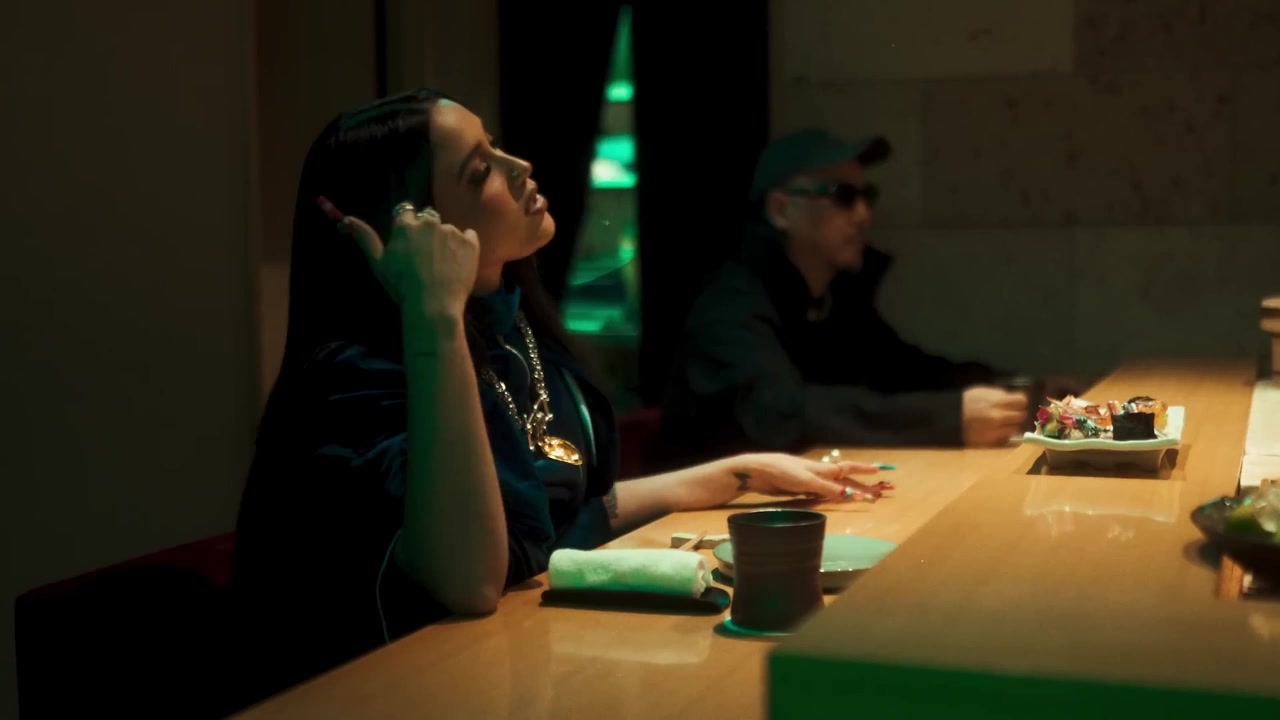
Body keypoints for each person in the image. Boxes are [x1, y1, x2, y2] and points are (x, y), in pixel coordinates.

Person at [230, 91, 883, 699]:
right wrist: (433, 314)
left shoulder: (510, 325)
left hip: (518, 664)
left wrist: (738, 472)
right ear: (410, 228)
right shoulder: (357, 377)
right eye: (481, 170)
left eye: (496, 145)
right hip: (410, 692)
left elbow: (563, 514)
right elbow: (471, 581)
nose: (520, 166)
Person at [654, 128, 1080, 471]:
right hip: (705, 525)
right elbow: (781, 415)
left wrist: (1024, 389)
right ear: (781, 210)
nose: (863, 214)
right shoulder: (730, 305)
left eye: (867, 196)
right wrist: (949, 418)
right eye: (843, 196)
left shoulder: (834, 297)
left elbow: (905, 370)